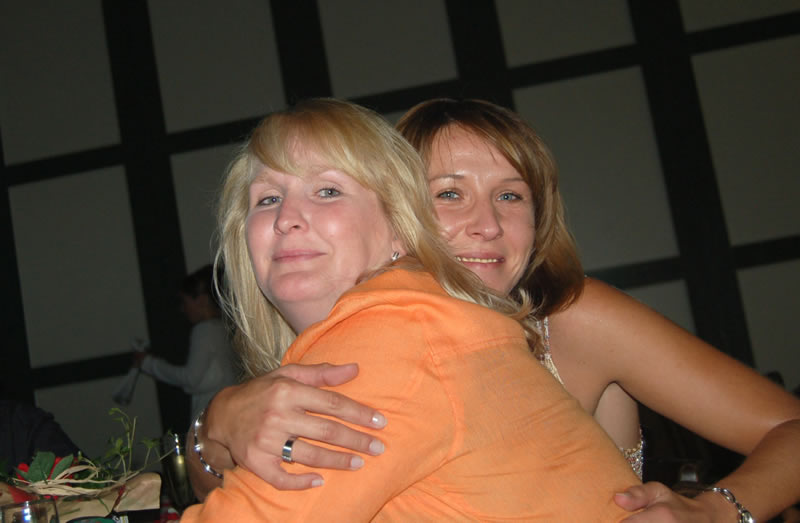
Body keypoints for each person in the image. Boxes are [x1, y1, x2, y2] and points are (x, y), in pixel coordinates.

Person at [187, 99, 800, 520]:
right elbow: (248, 490)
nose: (485, 224)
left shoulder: (572, 318)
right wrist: (216, 426)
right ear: (402, 212)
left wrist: (718, 510)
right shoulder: (371, 331)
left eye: (511, 196)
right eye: (450, 194)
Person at [136, 264, 238, 419]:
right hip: (228, 411)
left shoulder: (204, 330)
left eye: (185, 302)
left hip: (212, 416)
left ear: (201, 300)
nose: (183, 309)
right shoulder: (223, 328)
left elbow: (190, 379)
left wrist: (148, 363)